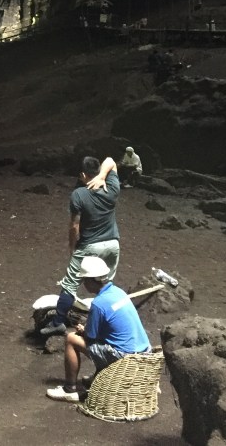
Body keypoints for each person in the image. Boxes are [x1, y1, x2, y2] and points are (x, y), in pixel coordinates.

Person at [45, 255, 151, 402]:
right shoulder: (119, 292)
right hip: (143, 350)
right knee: (106, 339)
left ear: (91, 280)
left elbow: (91, 337)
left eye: (84, 280)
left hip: (124, 356)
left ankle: (69, 389)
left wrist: (83, 331)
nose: (84, 284)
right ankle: (98, 377)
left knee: (71, 339)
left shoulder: (99, 303)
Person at [40, 156, 120, 337]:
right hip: (113, 244)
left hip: (90, 245)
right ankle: (106, 323)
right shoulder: (112, 188)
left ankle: (58, 323)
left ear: (83, 175)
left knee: (69, 284)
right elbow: (110, 160)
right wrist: (103, 176)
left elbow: (74, 226)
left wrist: (72, 246)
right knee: (106, 284)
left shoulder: (79, 194)